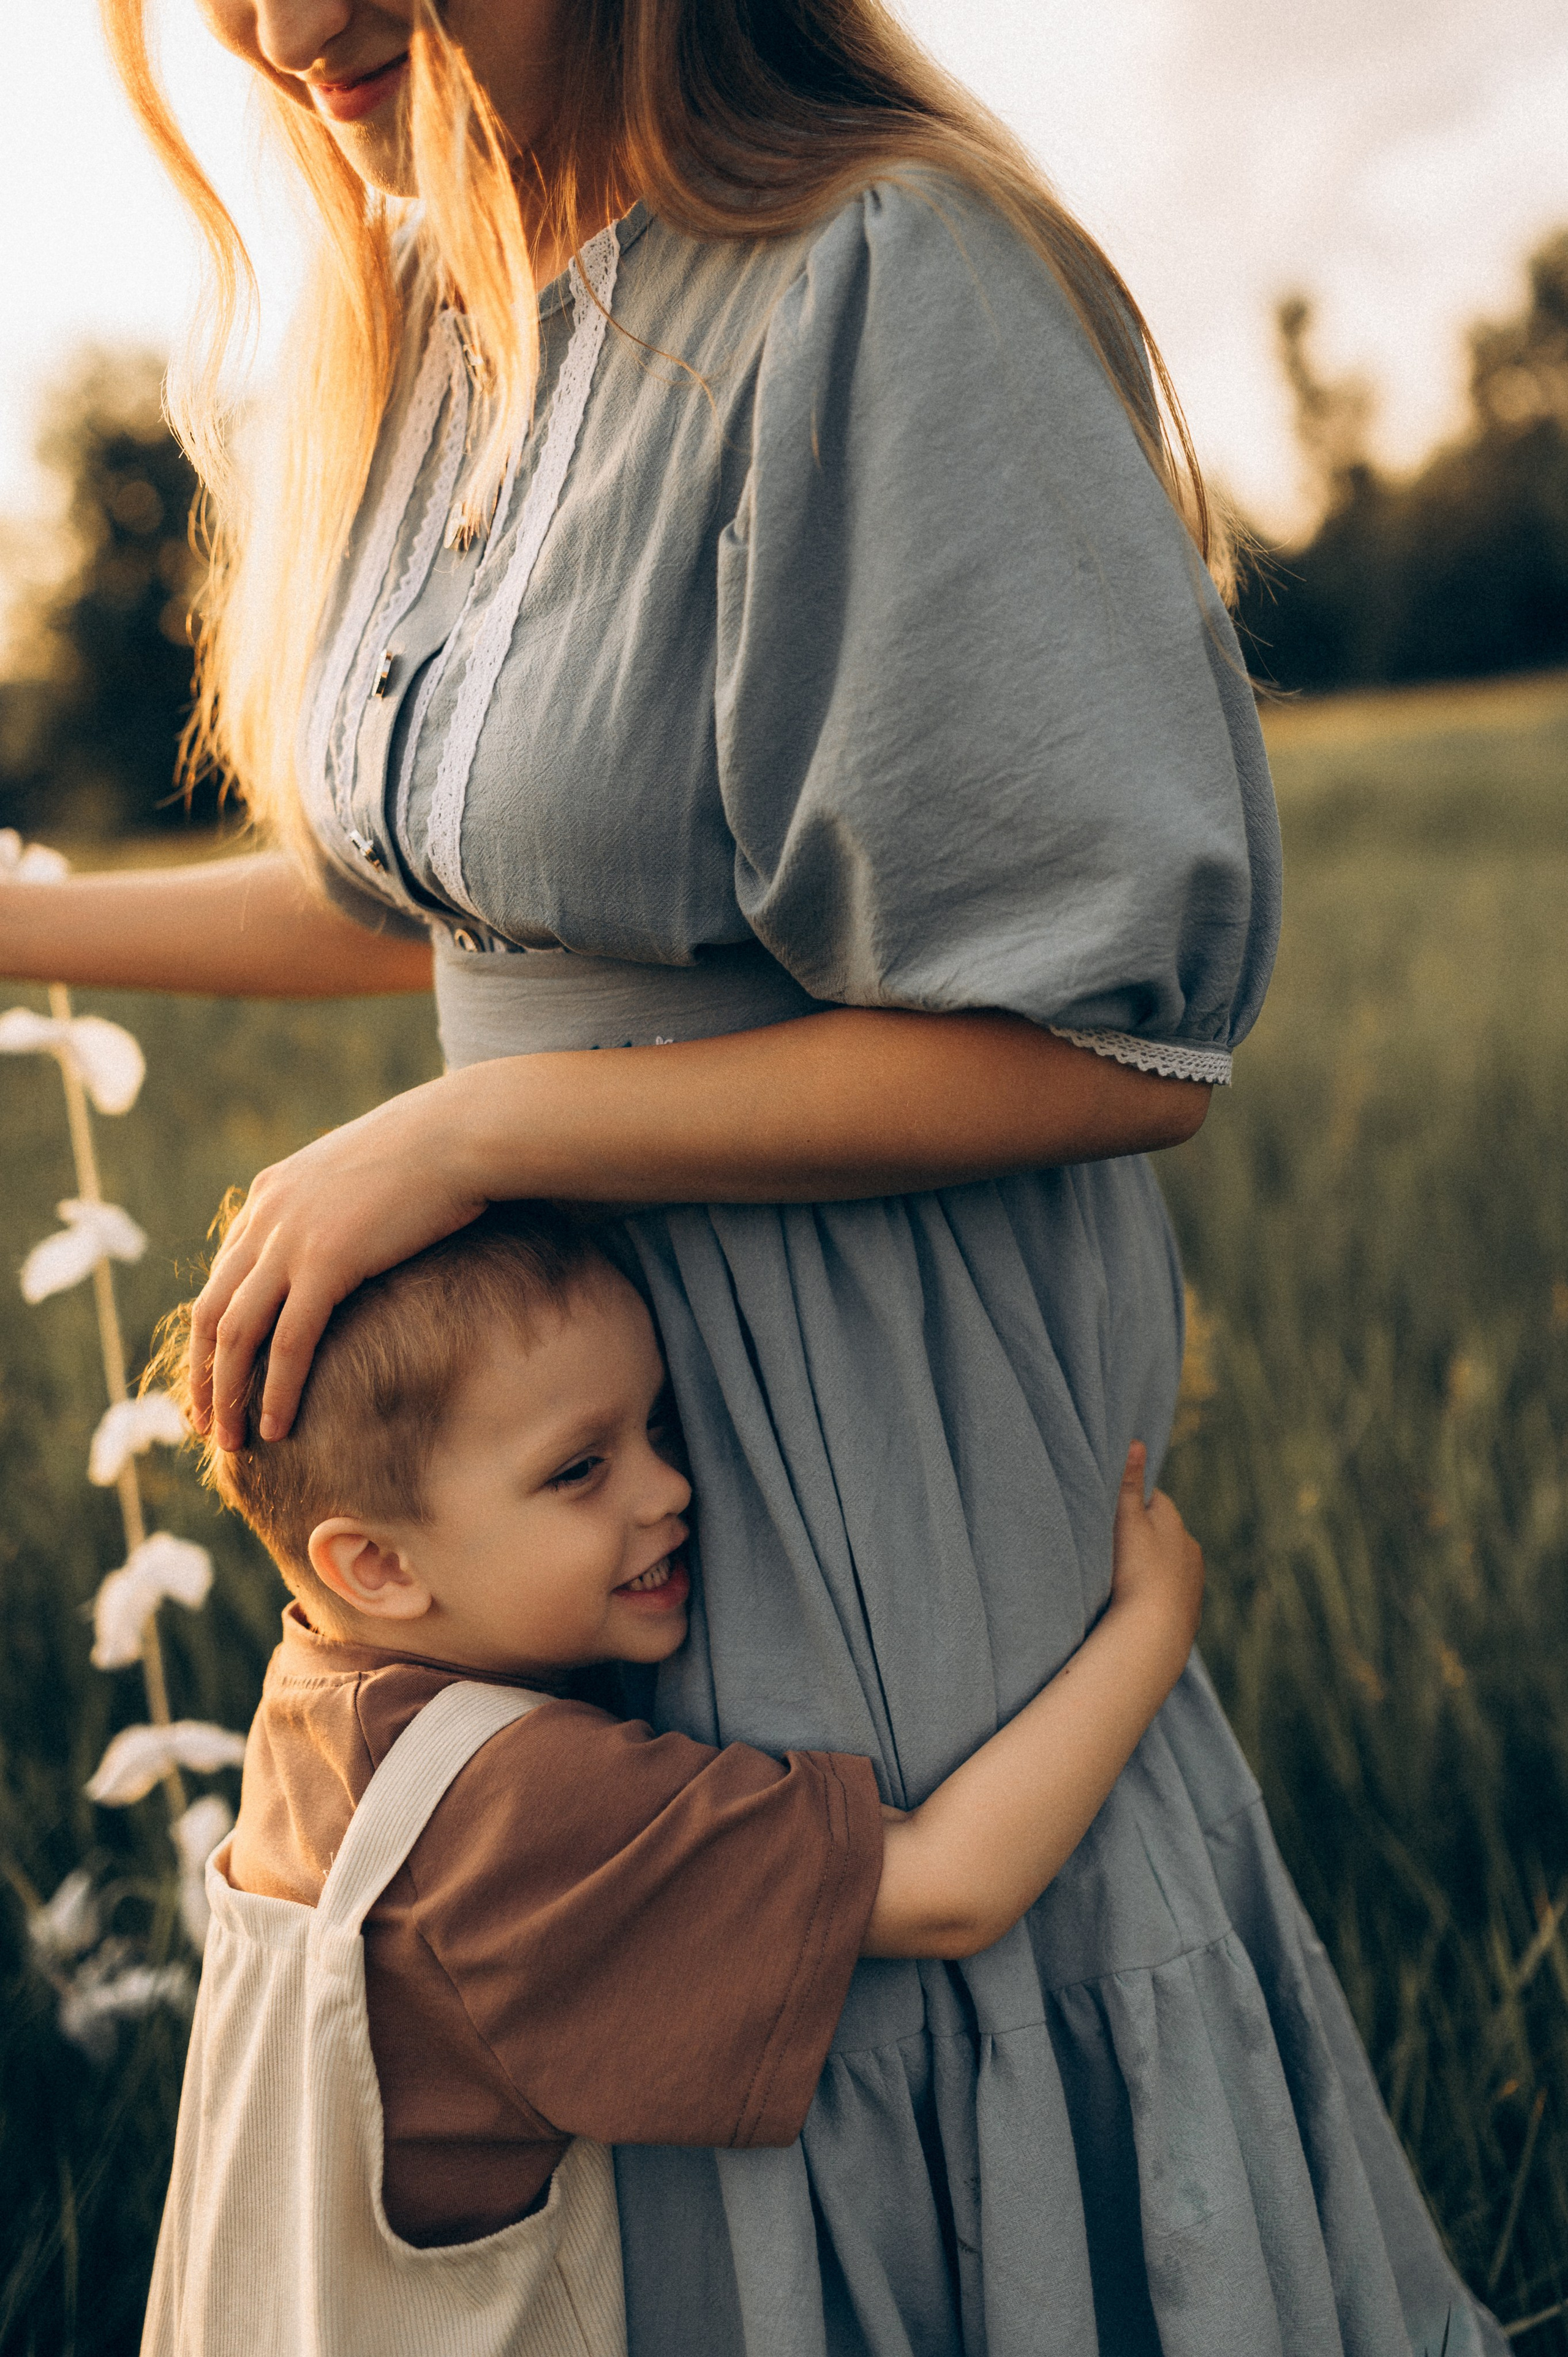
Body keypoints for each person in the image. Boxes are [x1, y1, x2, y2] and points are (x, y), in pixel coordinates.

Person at [5, 1, 1505, 2348]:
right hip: (577, 1468)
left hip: (854, 1479)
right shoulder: (451, 329)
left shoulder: (885, 275)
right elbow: (452, 883)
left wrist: (473, 1125)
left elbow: (1108, 1026)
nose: (290, 25)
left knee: (913, 2107)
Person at [141, 1204, 1205, 2357]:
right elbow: (949, 1888)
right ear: (381, 1565)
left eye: (660, 1426)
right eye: (581, 1470)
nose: (670, 1489)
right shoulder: (512, 1811)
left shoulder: (316, 1703)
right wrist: (1151, 1625)